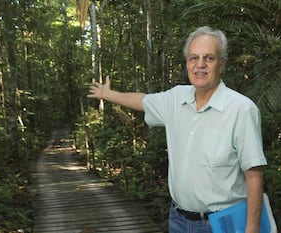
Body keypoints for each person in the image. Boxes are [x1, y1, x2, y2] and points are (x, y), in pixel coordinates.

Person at [87, 26, 267, 233]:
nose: (200, 65)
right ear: (187, 64)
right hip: (179, 220)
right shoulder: (176, 98)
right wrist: (108, 94)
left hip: (220, 224)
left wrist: (251, 228)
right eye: (193, 58)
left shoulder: (241, 109)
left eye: (209, 58)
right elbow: (143, 101)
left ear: (222, 65)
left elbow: (254, 173)